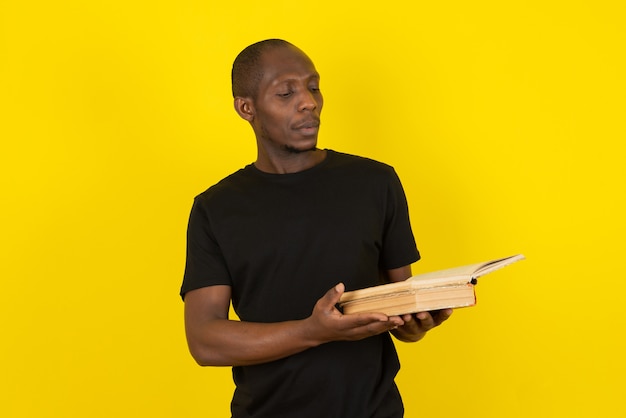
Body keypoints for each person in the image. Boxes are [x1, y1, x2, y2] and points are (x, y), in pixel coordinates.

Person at [180, 39, 452, 418]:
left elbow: (399, 312)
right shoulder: (215, 209)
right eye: (286, 92)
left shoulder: (376, 183)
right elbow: (205, 341)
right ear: (246, 108)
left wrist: (417, 321)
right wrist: (313, 331)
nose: (308, 101)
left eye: (313, 86)